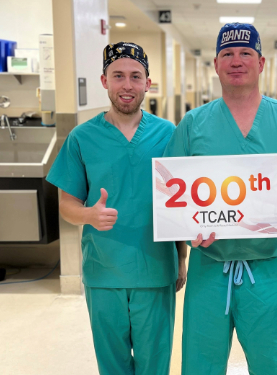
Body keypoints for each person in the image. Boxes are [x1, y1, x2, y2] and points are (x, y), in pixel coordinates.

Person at [164, 23, 277, 375]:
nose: (237, 61)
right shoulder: (193, 126)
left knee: (272, 366)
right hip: (209, 268)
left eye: (245, 53)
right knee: (200, 365)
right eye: (228, 54)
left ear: (261, 62)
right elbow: (172, 196)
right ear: (217, 65)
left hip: (269, 271)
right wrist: (184, 229)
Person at [46, 42, 186, 375]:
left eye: (135, 76)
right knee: (113, 365)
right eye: (118, 75)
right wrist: (89, 215)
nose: (127, 85)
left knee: (155, 364)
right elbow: (67, 205)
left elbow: (180, 205)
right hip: (103, 270)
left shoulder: (169, 134)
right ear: (104, 80)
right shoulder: (82, 138)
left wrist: (181, 259)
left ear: (147, 83)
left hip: (155, 270)